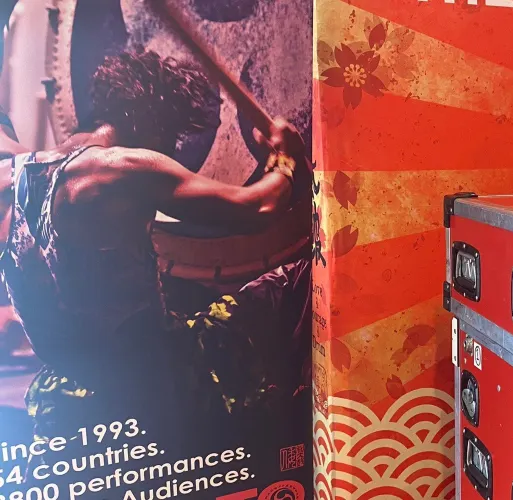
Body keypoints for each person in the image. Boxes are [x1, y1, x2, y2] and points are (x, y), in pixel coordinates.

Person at [0, 49, 312, 466]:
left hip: (69, 396)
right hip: (159, 380)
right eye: (170, 140)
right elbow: (258, 207)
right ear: (147, 123)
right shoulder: (120, 168)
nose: (170, 152)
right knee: (298, 279)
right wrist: (284, 158)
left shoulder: (11, 176)